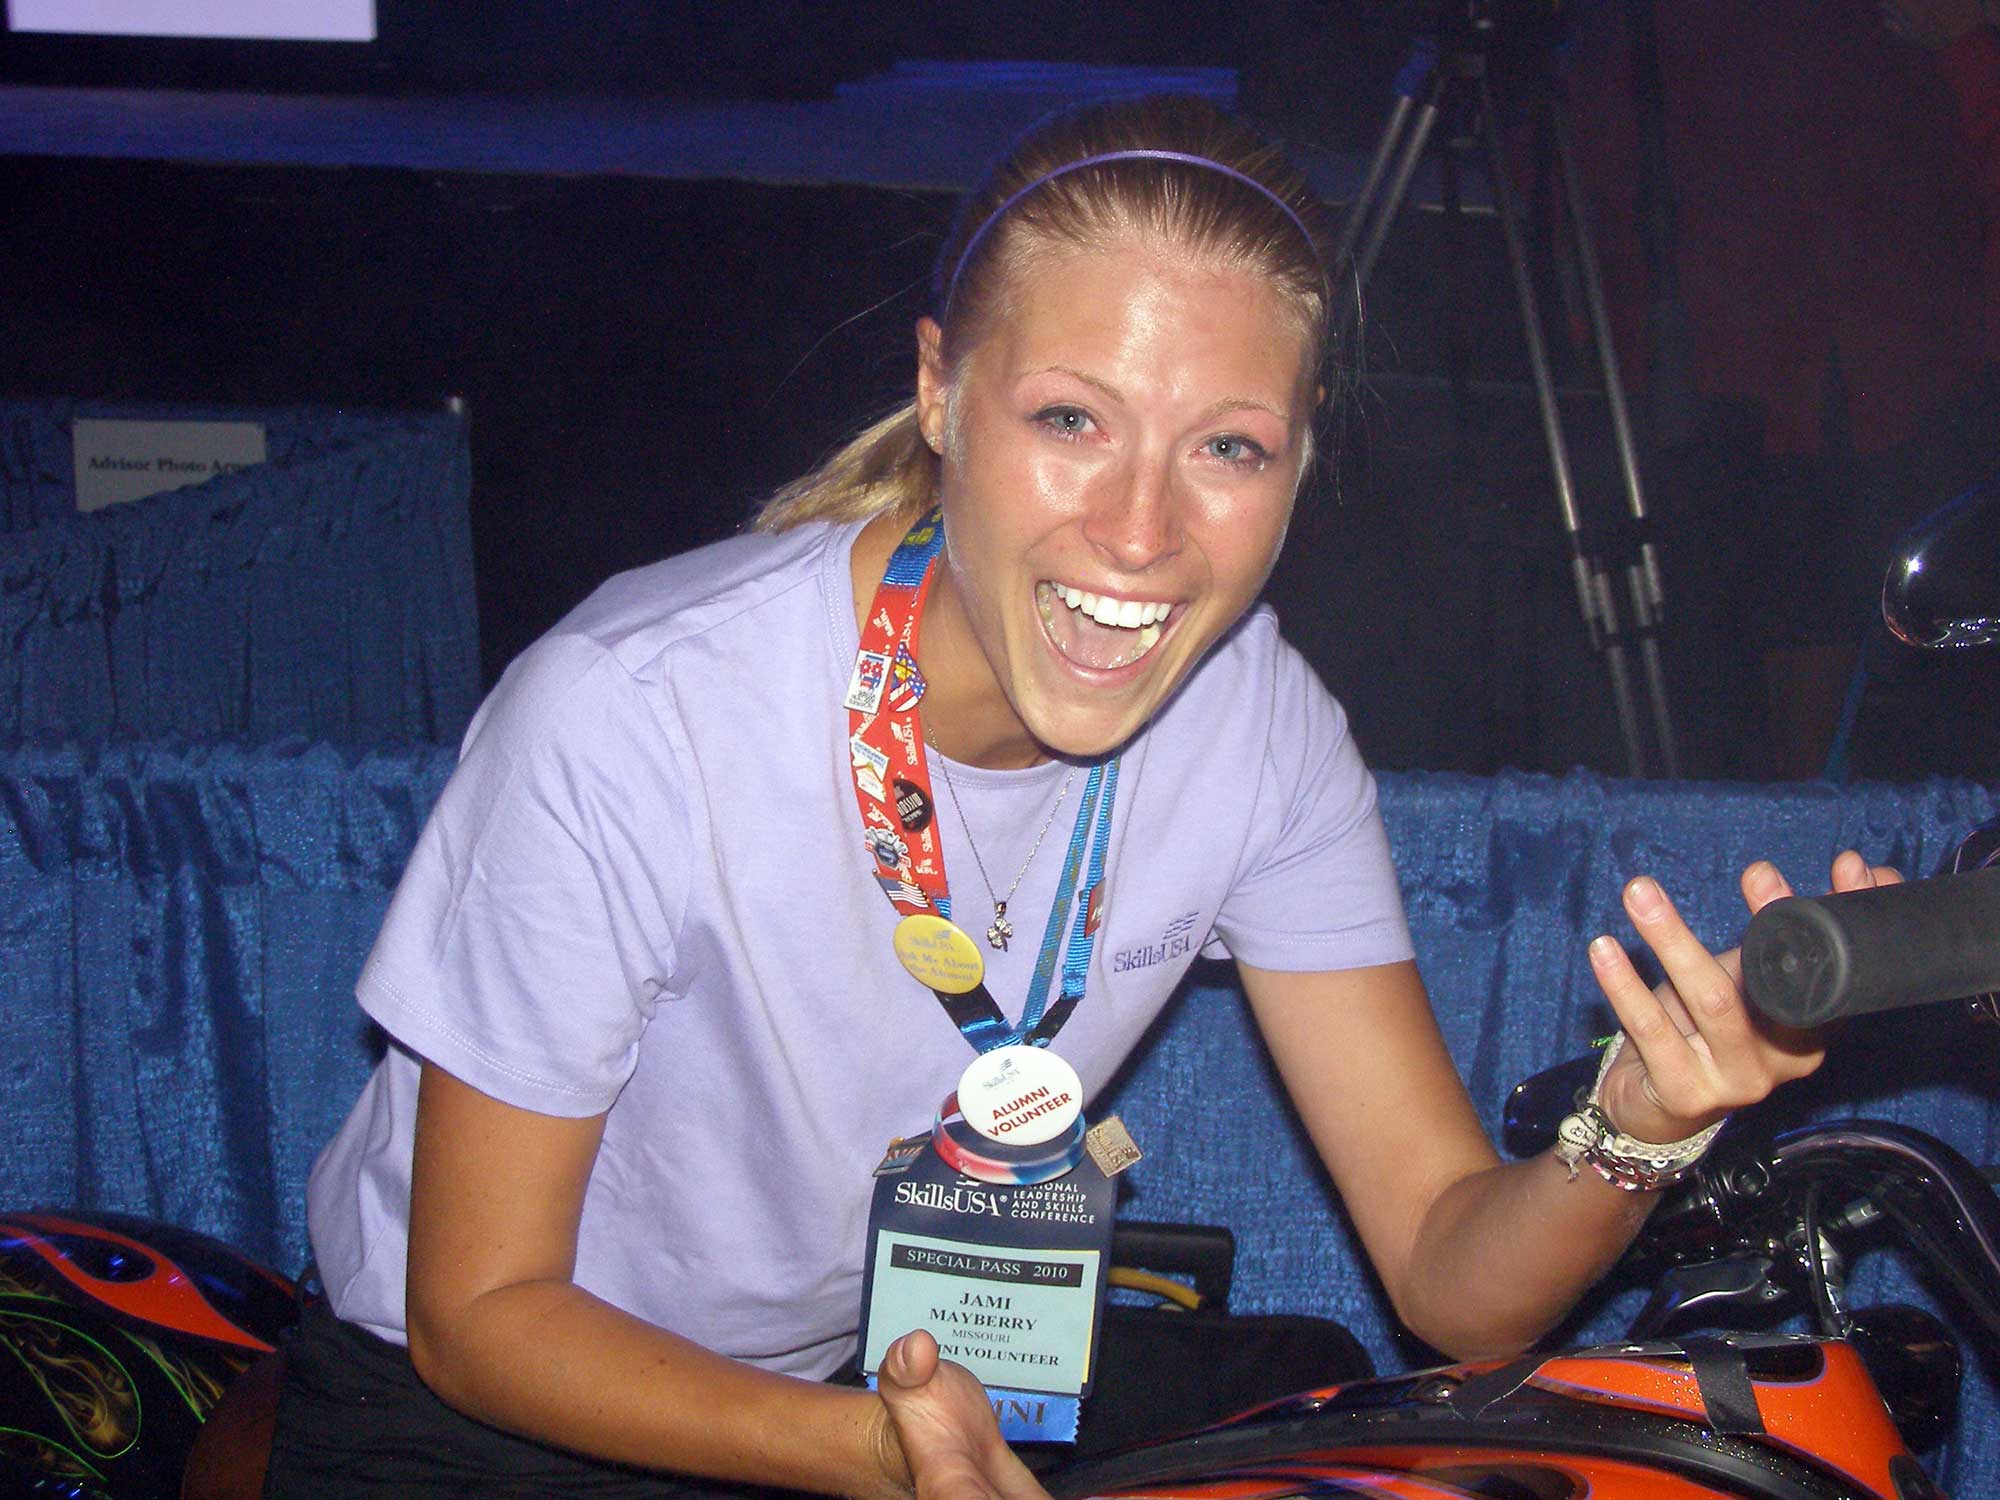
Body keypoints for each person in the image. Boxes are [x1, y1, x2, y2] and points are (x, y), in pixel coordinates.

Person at [269, 94, 1897, 1498]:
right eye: (1070, 420)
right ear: (939, 394)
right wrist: (882, 1455)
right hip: (486, 1415)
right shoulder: (630, 715)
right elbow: (478, 1314)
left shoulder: (1263, 733)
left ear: (1301, 463)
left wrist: (1643, 1125)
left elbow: (1452, 1280)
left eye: (1229, 450)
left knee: (1331, 1392)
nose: (1139, 534)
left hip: (882, 1383)